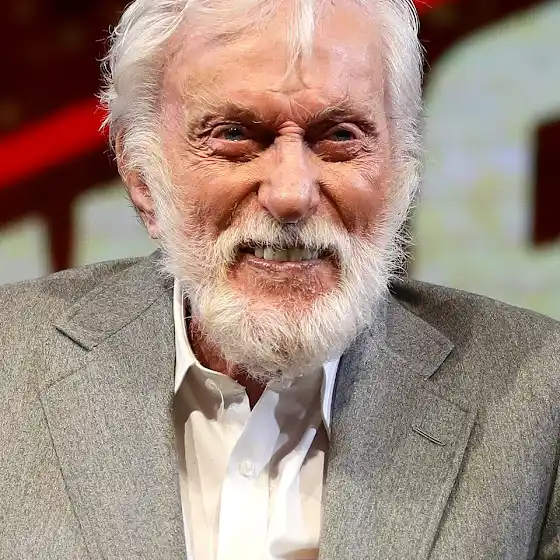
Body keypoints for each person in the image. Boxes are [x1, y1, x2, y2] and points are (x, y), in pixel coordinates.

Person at [1, 0, 559, 558]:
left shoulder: (540, 398)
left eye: (339, 135)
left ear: (402, 167)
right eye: (235, 134)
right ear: (142, 175)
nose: (292, 194)